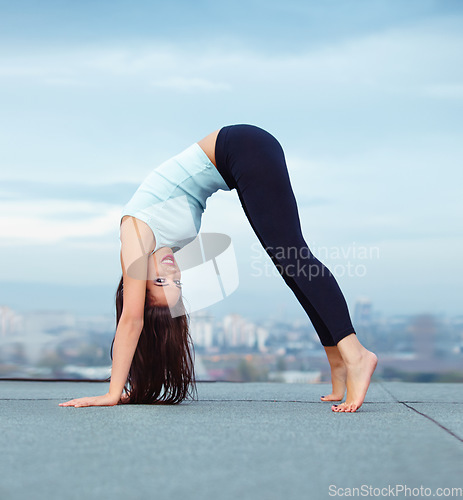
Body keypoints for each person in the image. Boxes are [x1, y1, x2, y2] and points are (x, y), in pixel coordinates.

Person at [59, 124, 377, 412]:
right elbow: (147, 330)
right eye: (175, 285)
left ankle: (356, 354)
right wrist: (140, 387)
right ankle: (337, 362)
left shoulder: (134, 237)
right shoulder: (163, 249)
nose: (171, 272)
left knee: (292, 254)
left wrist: (114, 392)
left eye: (158, 281)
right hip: (239, 156)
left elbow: (132, 320)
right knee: (288, 263)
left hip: (240, 147)